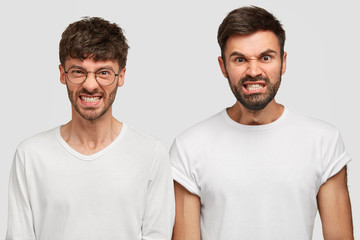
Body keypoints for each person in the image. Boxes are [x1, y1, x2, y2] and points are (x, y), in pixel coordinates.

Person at [170, 6, 353, 240]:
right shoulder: (189, 147)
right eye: (240, 59)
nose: (254, 71)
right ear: (223, 66)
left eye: (266, 57)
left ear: (283, 62)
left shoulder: (324, 141)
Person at [6, 17, 174, 239]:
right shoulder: (31, 155)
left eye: (103, 72)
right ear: (62, 74)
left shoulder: (151, 153)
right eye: (78, 71)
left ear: (121, 76)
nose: (90, 84)